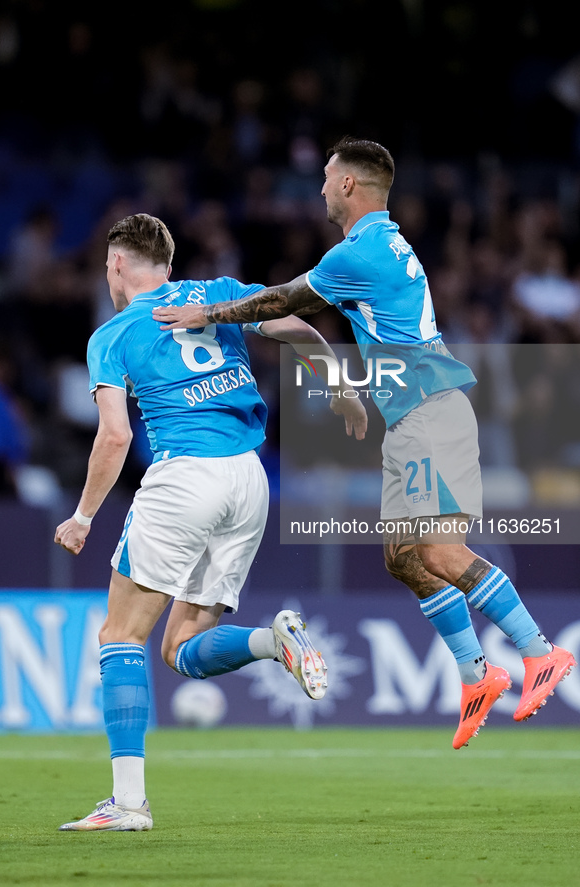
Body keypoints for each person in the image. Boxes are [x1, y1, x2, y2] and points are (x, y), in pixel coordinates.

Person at [153, 136, 577, 750]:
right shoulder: (385, 243)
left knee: (441, 551)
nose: (321, 188)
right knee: (404, 556)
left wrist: (207, 314)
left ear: (349, 184)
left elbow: (282, 301)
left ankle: (541, 654)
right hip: (411, 416)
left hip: (430, 411)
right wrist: (346, 389)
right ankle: (475, 674)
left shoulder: (360, 253)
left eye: (326, 178)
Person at [54, 212, 367, 831]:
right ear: (168, 266)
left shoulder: (111, 335)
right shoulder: (219, 293)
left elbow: (115, 436)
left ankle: (128, 804)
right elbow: (296, 326)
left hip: (183, 477)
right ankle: (271, 641)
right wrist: (336, 384)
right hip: (249, 479)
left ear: (116, 263)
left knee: (121, 638)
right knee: (181, 649)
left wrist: (83, 514)